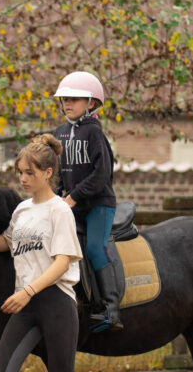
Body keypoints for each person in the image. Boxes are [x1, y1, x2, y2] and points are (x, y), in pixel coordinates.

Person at [0, 134, 82, 372]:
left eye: (29, 173)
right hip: (25, 304)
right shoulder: (22, 209)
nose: (22, 178)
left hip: (56, 303)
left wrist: (28, 292)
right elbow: (7, 243)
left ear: (48, 173)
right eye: (20, 172)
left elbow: (62, 263)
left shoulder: (59, 210)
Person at [54, 70, 123, 331]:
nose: (67, 104)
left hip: (98, 205)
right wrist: (56, 194)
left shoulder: (94, 134)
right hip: (71, 204)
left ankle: (111, 308)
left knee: (94, 248)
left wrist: (73, 196)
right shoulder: (60, 132)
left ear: (91, 103)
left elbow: (102, 174)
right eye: (64, 99)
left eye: (74, 99)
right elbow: (59, 171)